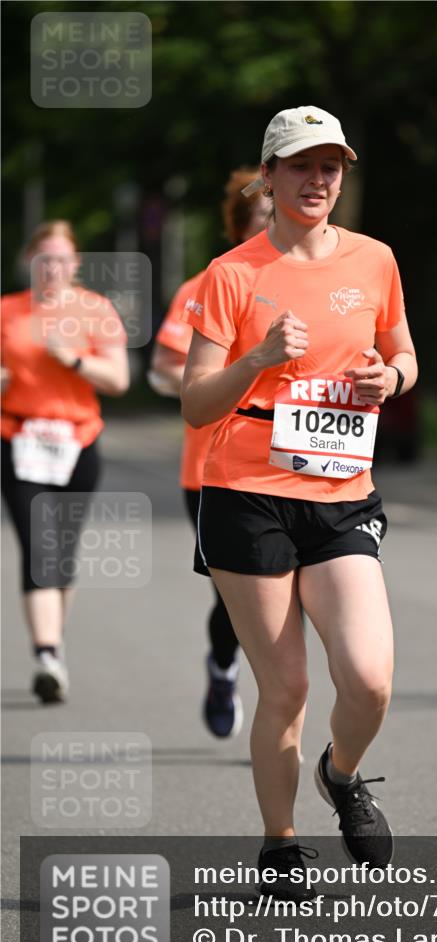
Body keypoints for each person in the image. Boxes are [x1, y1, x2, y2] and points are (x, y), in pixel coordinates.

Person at [181, 106, 417, 895]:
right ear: (268, 176)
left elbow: (402, 350)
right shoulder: (232, 274)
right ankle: (280, 844)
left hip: (341, 490)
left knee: (369, 677)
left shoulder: (375, 258)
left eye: (330, 167)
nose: (317, 180)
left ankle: (341, 774)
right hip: (246, 493)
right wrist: (254, 356)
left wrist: (395, 378)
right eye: (300, 166)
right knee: (285, 685)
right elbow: (195, 404)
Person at [149, 169, 271, 738]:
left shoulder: (330, 280)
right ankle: (224, 666)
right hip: (213, 467)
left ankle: (280, 709)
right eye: (266, 217)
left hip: (295, 469)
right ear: (241, 226)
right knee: (235, 589)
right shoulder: (209, 283)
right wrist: (228, 376)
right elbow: (166, 369)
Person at [1, 220, 129, 703]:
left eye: (60, 260)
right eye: (42, 259)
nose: (51, 268)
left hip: (76, 444)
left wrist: (73, 359)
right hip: (18, 439)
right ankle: (47, 654)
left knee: (63, 553)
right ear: (28, 262)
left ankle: (52, 644)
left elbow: (117, 379)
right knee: (39, 546)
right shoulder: (7, 311)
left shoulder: (95, 311)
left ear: (75, 265)